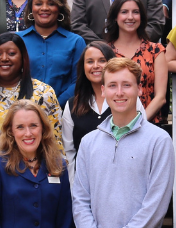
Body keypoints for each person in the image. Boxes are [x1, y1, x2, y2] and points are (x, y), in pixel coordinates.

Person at [71, 58, 175, 228]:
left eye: (126, 85)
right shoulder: (88, 142)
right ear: (103, 91)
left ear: (139, 89)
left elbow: (155, 207)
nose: (119, 93)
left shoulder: (159, 141)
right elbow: (80, 199)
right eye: (112, 85)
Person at [0, 100, 76, 228]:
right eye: (20, 127)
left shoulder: (57, 165)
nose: (28, 133)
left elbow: (64, 223)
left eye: (33, 126)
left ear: (42, 128)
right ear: (11, 131)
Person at [0, 33, 64, 153]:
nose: (4, 58)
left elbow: (55, 141)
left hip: (30, 169)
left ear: (23, 58)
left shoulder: (43, 93)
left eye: (11, 53)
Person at [60, 42, 145, 175]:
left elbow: (143, 138)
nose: (96, 66)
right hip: (86, 184)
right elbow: (68, 152)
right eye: (89, 61)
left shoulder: (128, 99)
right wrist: (74, 188)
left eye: (102, 60)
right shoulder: (72, 105)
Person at [18, 0, 85, 107]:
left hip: (63, 111)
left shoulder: (76, 41)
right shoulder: (17, 40)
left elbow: (78, 81)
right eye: (38, 4)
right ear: (31, 8)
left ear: (59, 8)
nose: (44, 8)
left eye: (51, 3)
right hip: (22, 111)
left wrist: (53, 104)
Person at [106, 0, 167, 123]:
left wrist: (138, 122)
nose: (130, 17)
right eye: (124, 12)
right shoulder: (105, 52)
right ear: (115, 17)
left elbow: (161, 97)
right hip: (113, 125)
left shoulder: (156, 51)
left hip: (149, 124)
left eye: (135, 12)